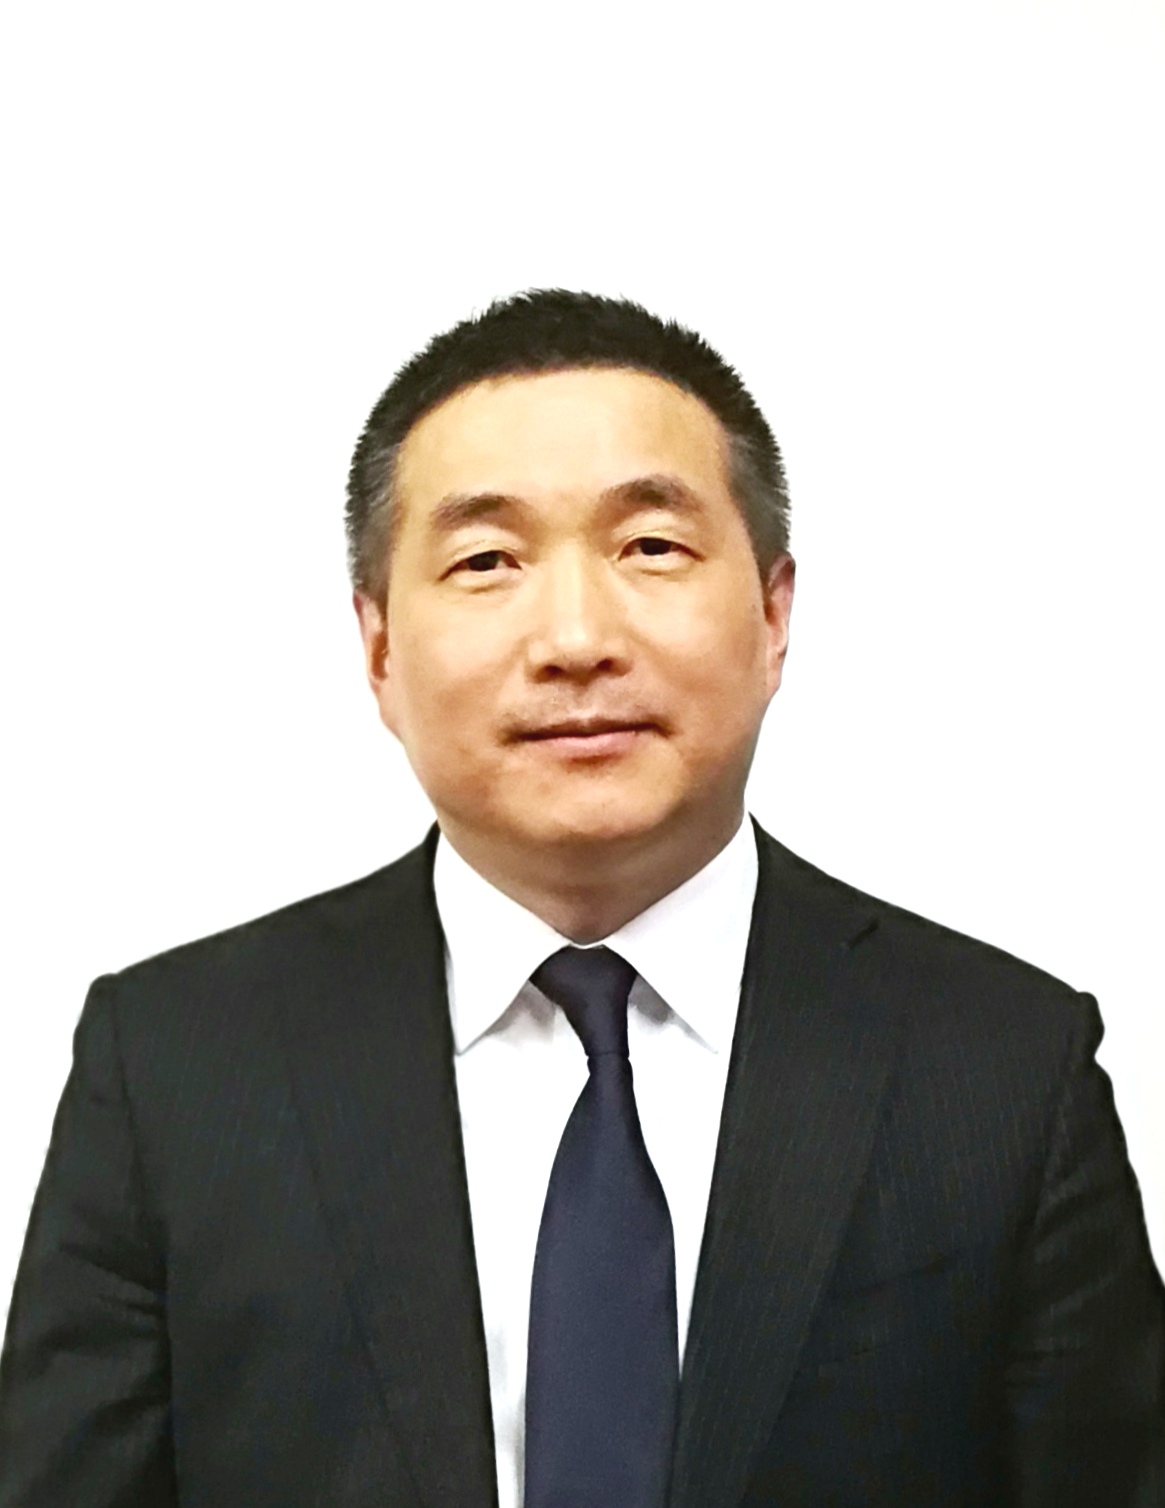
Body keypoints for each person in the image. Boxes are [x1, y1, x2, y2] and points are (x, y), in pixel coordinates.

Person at [0, 290, 1161, 1508]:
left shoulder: (1003, 1067)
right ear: (379, 648)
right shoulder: (175, 1063)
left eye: (649, 546)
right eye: (486, 561)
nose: (574, 637)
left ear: (773, 615)